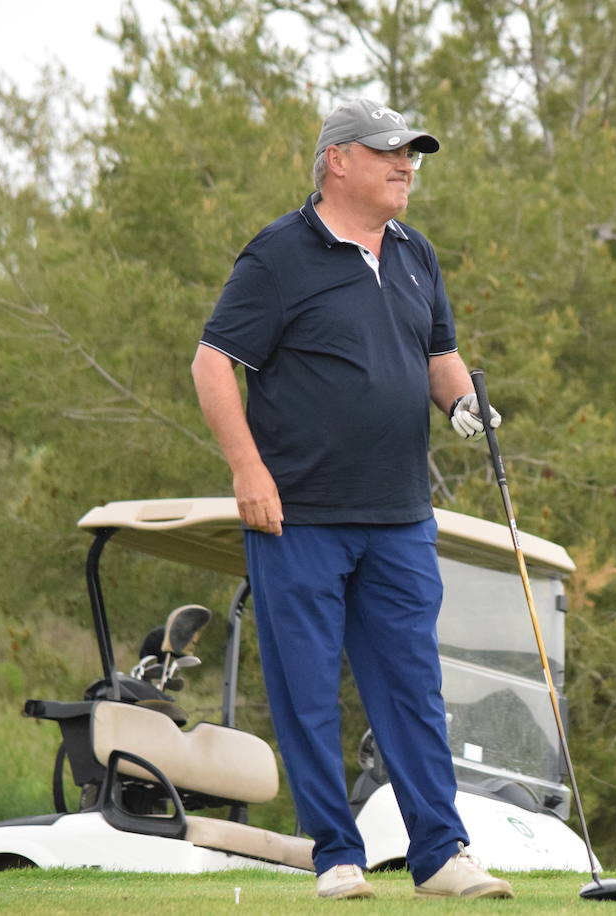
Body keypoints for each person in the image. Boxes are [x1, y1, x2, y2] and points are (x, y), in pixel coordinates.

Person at [192, 99, 510, 900]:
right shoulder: (278, 255)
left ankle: (439, 855)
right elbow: (211, 363)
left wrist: (464, 402)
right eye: (390, 152)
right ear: (338, 160)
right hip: (298, 515)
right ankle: (336, 854)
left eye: (413, 154)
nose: (408, 165)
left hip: (399, 516)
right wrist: (247, 471)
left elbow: (439, 354)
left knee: (410, 686)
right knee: (305, 690)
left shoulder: (416, 253)